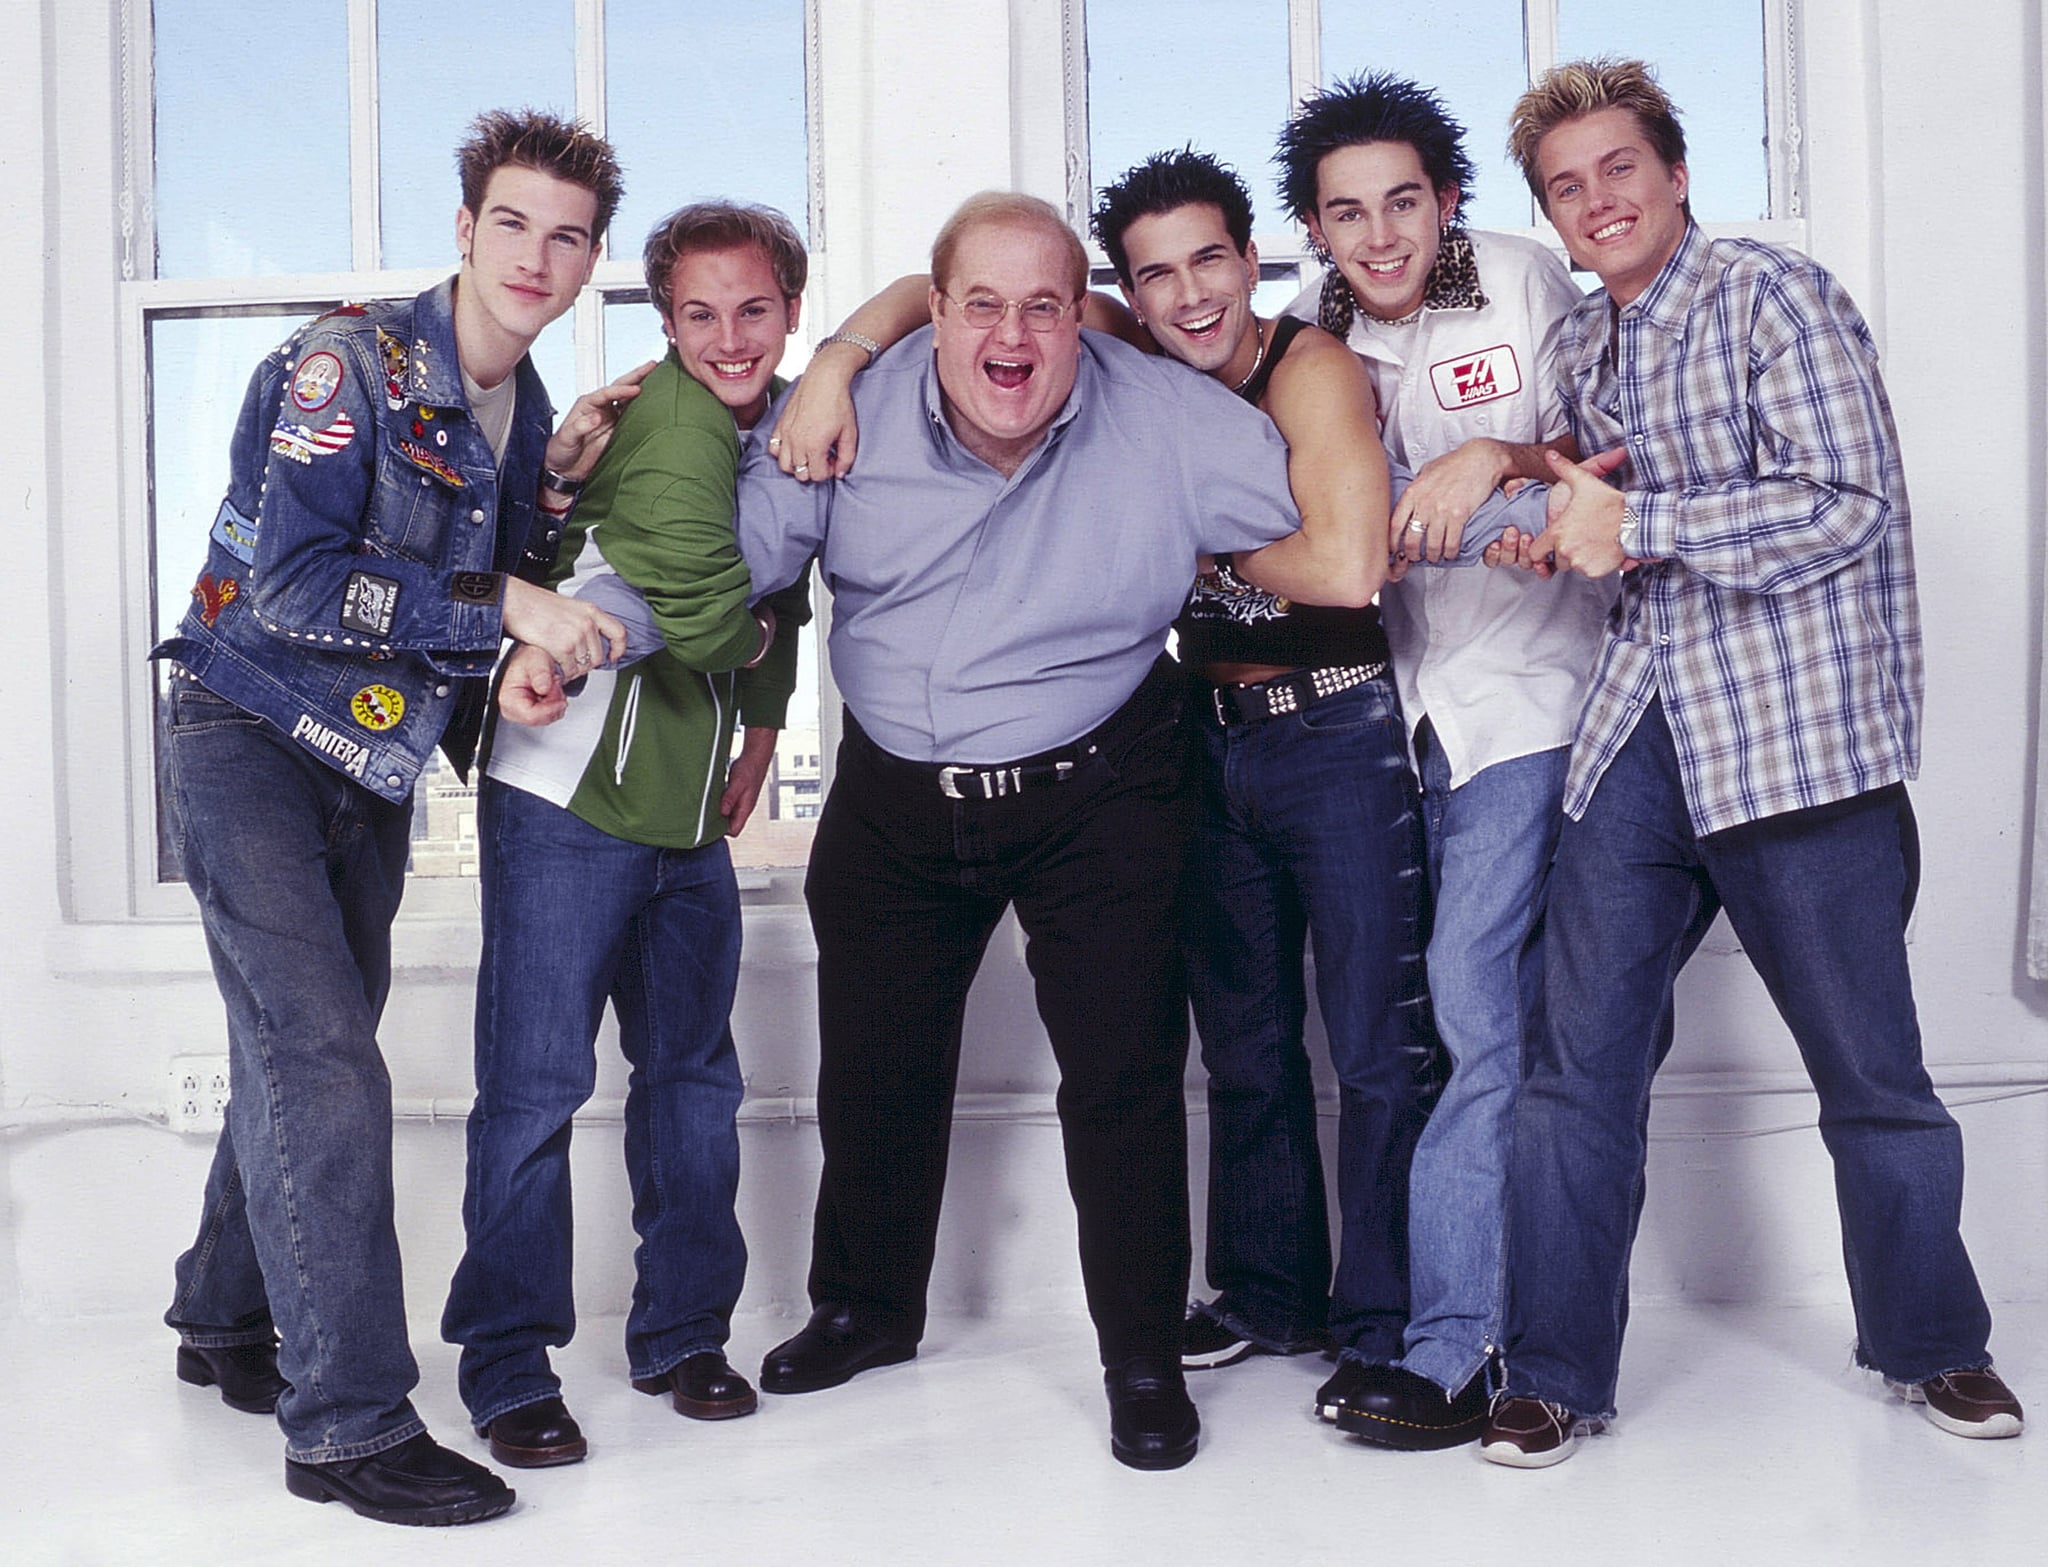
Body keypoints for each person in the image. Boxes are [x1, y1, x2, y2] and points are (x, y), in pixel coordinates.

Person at [580, 189, 1382, 1472]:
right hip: (897, 795)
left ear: (1084, 322)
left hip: (1104, 787)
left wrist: (1503, 490)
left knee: (1120, 1077)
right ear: (935, 315)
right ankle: (862, 1305)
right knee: (877, 1066)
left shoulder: (1172, 422)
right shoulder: (846, 414)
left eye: (1045, 308)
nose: (1013, 335)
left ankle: (1137, 1353)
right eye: (984, 305)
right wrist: (564, 617)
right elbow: (726, 561)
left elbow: (1348, 528)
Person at [1477, 57, 2024, 1468]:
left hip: (1794, 745)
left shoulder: (1774, 294)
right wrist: (1559, 526)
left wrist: (1639, 528)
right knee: (1572, 1065)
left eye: (1617, 169)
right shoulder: (1592, 350)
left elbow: (1845, 502)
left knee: (1872, 1073)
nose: (1594, 199)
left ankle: (1934, 1343)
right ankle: (1549, 1371)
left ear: (1671, 173)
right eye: (1564, 186)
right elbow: (1617, 519)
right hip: (1637, 737)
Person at [155, 109, 642, 1526]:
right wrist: (510, 605)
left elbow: (466, 601)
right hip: (244, 730)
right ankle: (349, 1421)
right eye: (513, 224)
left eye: (566, 235)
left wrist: (527, 604)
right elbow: (297, 587)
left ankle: (222, 1314)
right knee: (323, 1063)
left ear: (588, 255)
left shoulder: (528, 411)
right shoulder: (343, 362)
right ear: (464, 229)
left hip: (366, 764)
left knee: (301, 1052)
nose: (537, 256)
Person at [440, 204, 815, 1470]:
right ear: (665, 323)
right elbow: (707, 595)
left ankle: (681, 1334)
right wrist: (745, 651)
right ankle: (503, 1366)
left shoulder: (777, 423)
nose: (727, 337)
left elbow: (785, 588)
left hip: (682, 815)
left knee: (695, 1083)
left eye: (751, 310)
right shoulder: (667, 421)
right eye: (699, 314)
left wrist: (759, 725)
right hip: (568, 801)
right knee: (537, 1090)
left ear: (789, 311)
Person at [1270, 72, 1614, 1447]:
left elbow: (1612, 467)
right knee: (1420, 1027)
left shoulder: (1528, 284)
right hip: (1396, 716)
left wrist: (1496, 452)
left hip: (1531, 697)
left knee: (1473, 1006)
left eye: (1403, 200)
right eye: (1346, 213)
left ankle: (1457, 1343)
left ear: (1449, 198)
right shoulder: (1308, 336)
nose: (1380, 234)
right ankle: (1427, 1318)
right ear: (1315, 227)